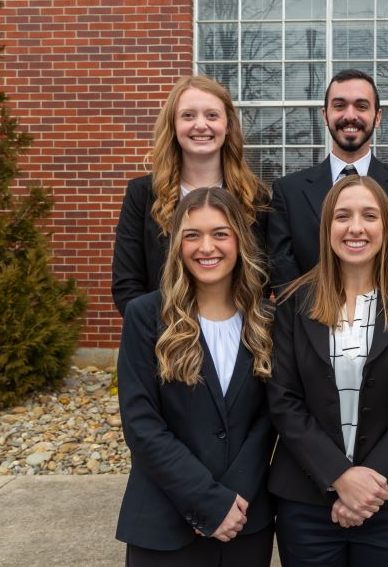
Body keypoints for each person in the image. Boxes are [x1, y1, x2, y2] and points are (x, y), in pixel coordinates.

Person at [268, 174, 388, 567]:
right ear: (327, 227)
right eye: (342, 216)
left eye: (369, 215)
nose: (355, 228)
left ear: (386, 227)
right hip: (308, 500)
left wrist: (370, 482)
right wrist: (339, 477)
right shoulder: (295, 302)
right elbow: (284, 401)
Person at [116, 187, 275, 566]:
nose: (207, 247)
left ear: (239, 239)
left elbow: (270, 419)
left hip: (244, 520)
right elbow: (141, 425)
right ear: (176, 245)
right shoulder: (145, 316)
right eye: (192, 235)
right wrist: (207, 501)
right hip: (164, 521)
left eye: (220, 233)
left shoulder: (268, 321)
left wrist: (230, 502)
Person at [112, 75, 270, 316]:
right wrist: (167, 335)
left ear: (227, 126)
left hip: (236, 340)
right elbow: (127, 284)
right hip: (162, 341)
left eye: (212, 115)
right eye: (188, 115)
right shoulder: (142, 195)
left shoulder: (254, 197)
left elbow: (263, 279)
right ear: (173, 126)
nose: (200, 124)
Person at [267, 69, 388, 293]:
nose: (350, 115)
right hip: (309, 323)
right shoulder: (288, 192)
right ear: (325, 115)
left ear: (377, 117)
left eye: (361, 106)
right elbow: (284, 277)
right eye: (339, 106)